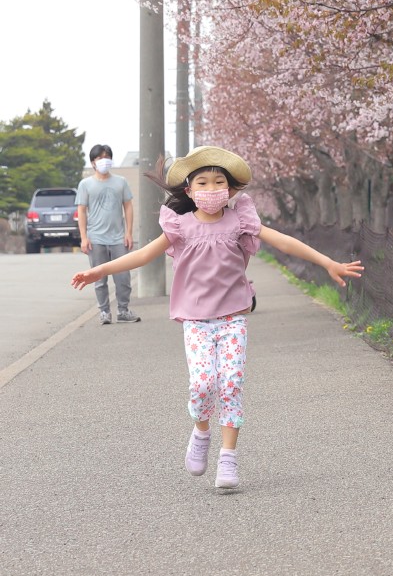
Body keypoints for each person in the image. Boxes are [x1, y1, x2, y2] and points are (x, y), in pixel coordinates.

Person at [71, 145, 363, 490]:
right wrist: (99, 271)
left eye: (219, 182)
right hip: (195, 320)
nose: (212, 189)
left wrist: (327, 262)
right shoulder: (180, 226)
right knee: (202, 384)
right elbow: (143, 255)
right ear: (189, 191)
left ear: (230, 189)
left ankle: (228, 458)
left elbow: (283, 241)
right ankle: (201, 432)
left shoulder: (240, 221)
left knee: (231, 384)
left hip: (233, 317)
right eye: (203, 183)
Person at [75, 144, 140, 326]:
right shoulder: (85, 184)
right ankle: (104, 312)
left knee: (123, 277)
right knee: (98, 278)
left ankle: (123, 310)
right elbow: (81, 211)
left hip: (118, 238)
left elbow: (128, 207)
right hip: (96, 238)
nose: (104, 161)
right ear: (93, 162)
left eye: (107, 157)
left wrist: (128, 232)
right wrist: (84, 237)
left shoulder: (121, 182)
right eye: (99, 158)